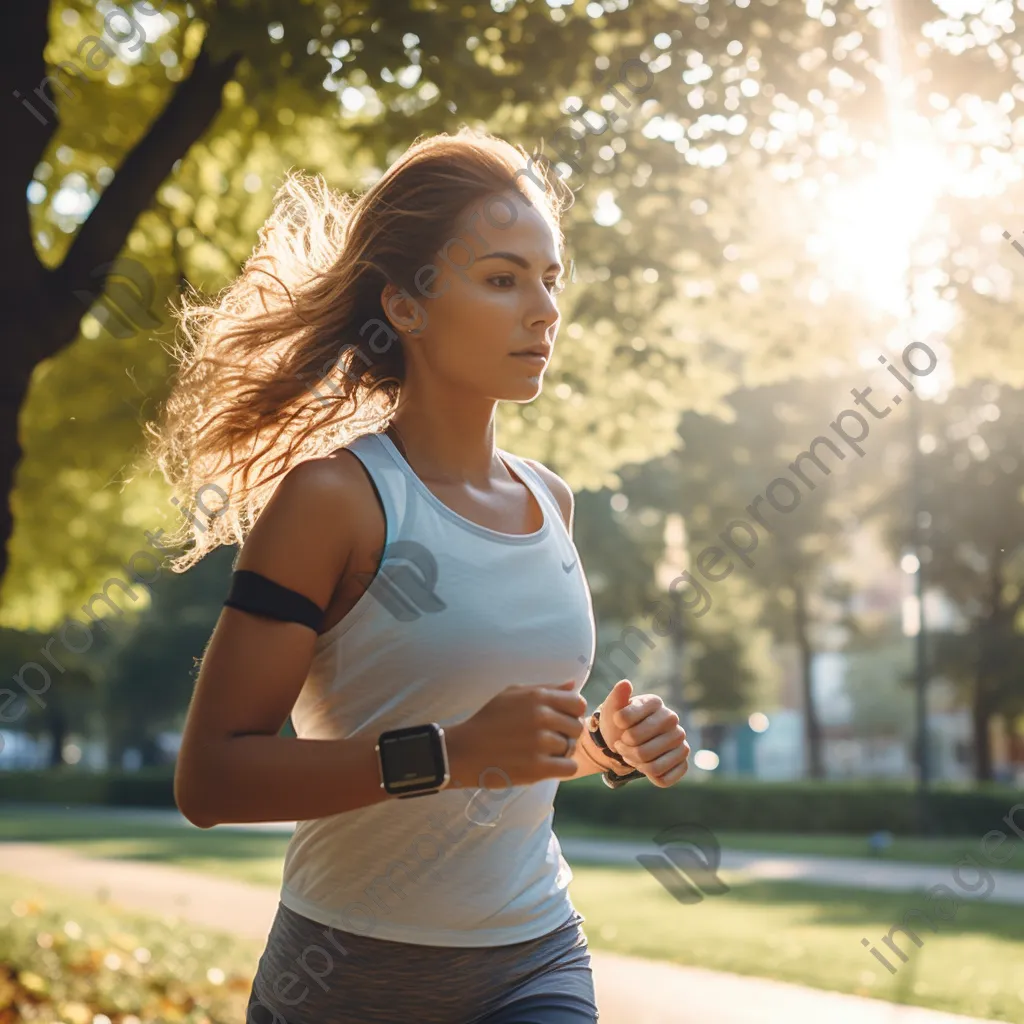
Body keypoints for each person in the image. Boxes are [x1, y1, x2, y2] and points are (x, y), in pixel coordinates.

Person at [154, 127, 691, 1024]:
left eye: (550, 279)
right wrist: (451, 754)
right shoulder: (335, 500)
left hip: (535, 958)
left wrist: (604, 748)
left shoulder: (551, 500)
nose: (544, 309)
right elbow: (210, 781)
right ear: (404, 306)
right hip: (344, 978)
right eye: (502, 277)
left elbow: (510, 749)